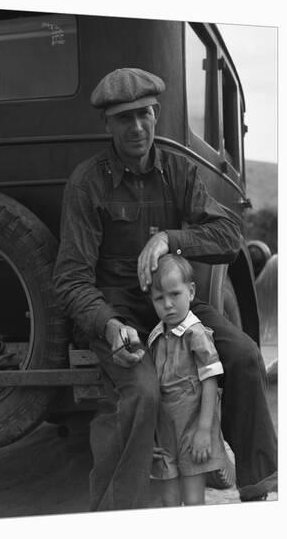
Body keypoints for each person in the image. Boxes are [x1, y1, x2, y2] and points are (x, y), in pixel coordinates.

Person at [53, 68, 277, 511]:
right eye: (124, 118)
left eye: (145, 114)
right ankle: (118, 512)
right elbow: (70, 278)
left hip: (176, 305)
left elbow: (229, 236)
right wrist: (110, 326)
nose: (137, 127)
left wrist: (171, 239)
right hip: (117, 314)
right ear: (108, 125)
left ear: (156, 115)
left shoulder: (179, 171)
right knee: (142, 391)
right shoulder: (87, 182)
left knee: (244, 353)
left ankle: (256, 487)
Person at [148, 254, 228, 507]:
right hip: (164, 433)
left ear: (191, 291)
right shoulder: (155, 337)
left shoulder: (197, 334)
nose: (168, 304)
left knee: (193, 501)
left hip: (193, 429)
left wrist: (204, 431)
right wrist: (150, 436)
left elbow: (210, 381)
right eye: (159, 298)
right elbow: (151, 390)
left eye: (175, 294)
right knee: (168, 500)